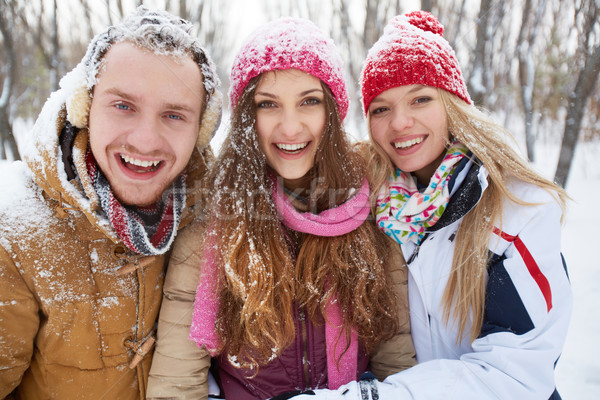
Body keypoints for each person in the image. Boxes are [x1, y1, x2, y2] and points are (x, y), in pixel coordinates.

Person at [287, 10, 572, 400]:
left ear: (453, 105)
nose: (400, 123)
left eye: (420, 99)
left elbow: (514, 375)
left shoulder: (519, 210)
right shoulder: (369, 205)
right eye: (381, 109)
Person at [146, 17, 415, 400]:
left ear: (332, 113)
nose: (290, 128)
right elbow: (177, 382)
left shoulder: (371, 208)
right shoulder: (214, 221)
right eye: (268, 104)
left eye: (309, 101)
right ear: (246, 120)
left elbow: (396, 356)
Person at [0, 7, 222, 399]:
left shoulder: (213, 223)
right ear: (85, 108)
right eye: (123, 106)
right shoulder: (16, 232)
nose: (145, 140)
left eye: (174, 115)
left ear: (199, 132)